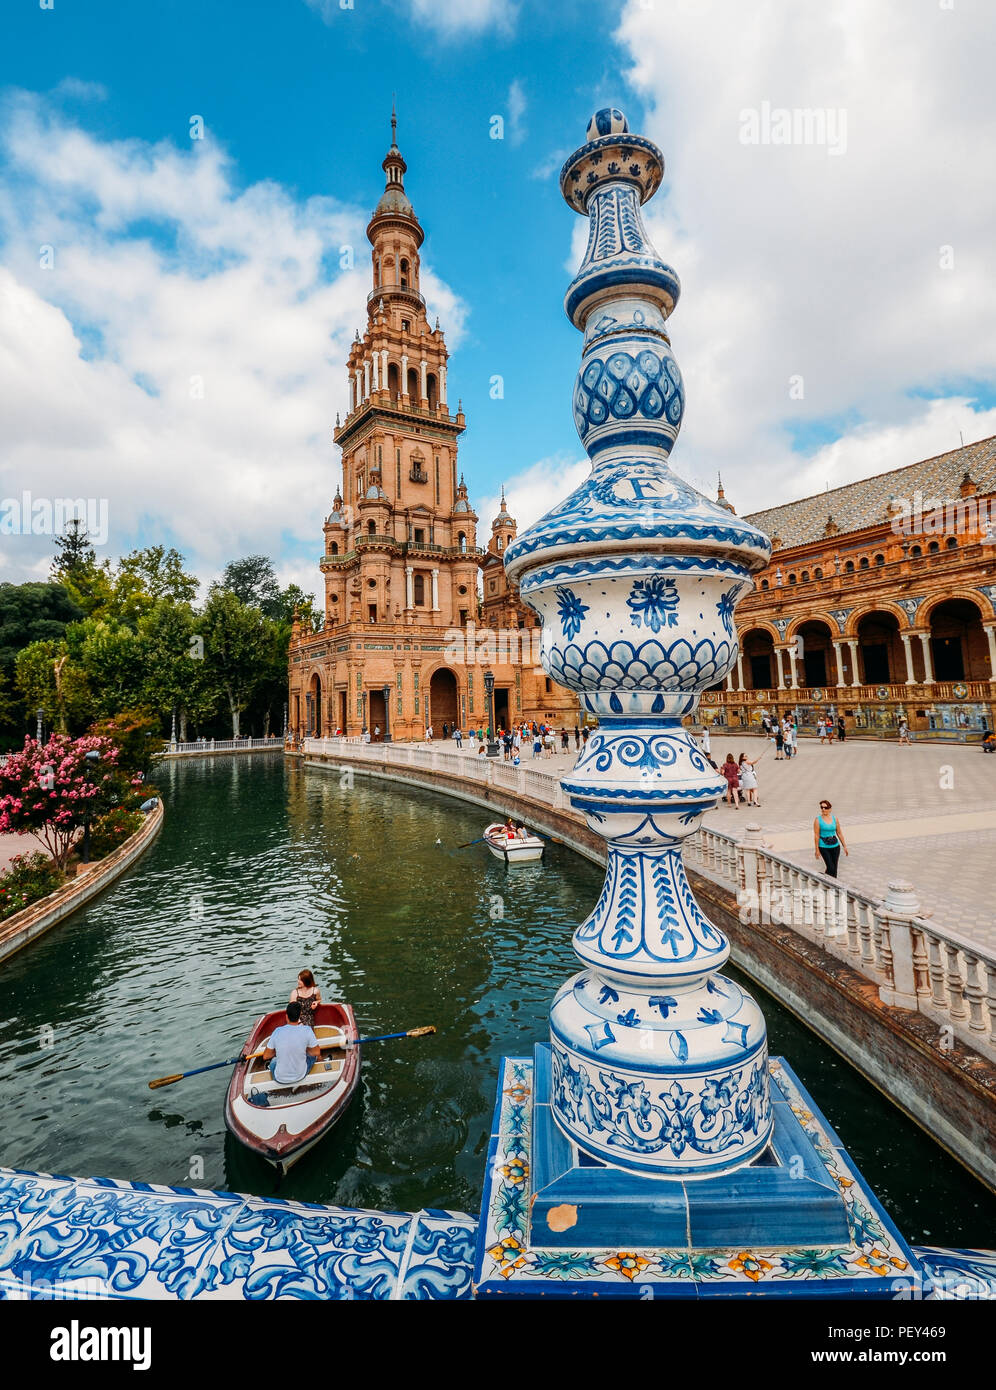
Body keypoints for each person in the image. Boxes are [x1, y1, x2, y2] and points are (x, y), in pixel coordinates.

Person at [261, 1001, 321, 1084]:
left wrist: (280, 1050)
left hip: (279, 1078)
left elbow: (266, 1056)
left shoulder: (277, 1031)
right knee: (313, 1057)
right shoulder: (307, 1030)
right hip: (300, 1076)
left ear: (286, 1016)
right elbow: (316, 1052)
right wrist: (303, 1049)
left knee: (274, 1061)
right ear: (300, 1016)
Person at [813, 799, 848, 877]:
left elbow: (839, 833)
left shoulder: (835, 819)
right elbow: (816, 835)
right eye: (821, 807)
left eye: (825, 808)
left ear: (830, 809)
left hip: (835, 846)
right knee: (830, 867)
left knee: (834, 868)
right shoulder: (817, 820)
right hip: (823, 846)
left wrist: (844, 846)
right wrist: (817, 850)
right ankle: (824, 880)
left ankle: (832, 887)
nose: (823, 809)